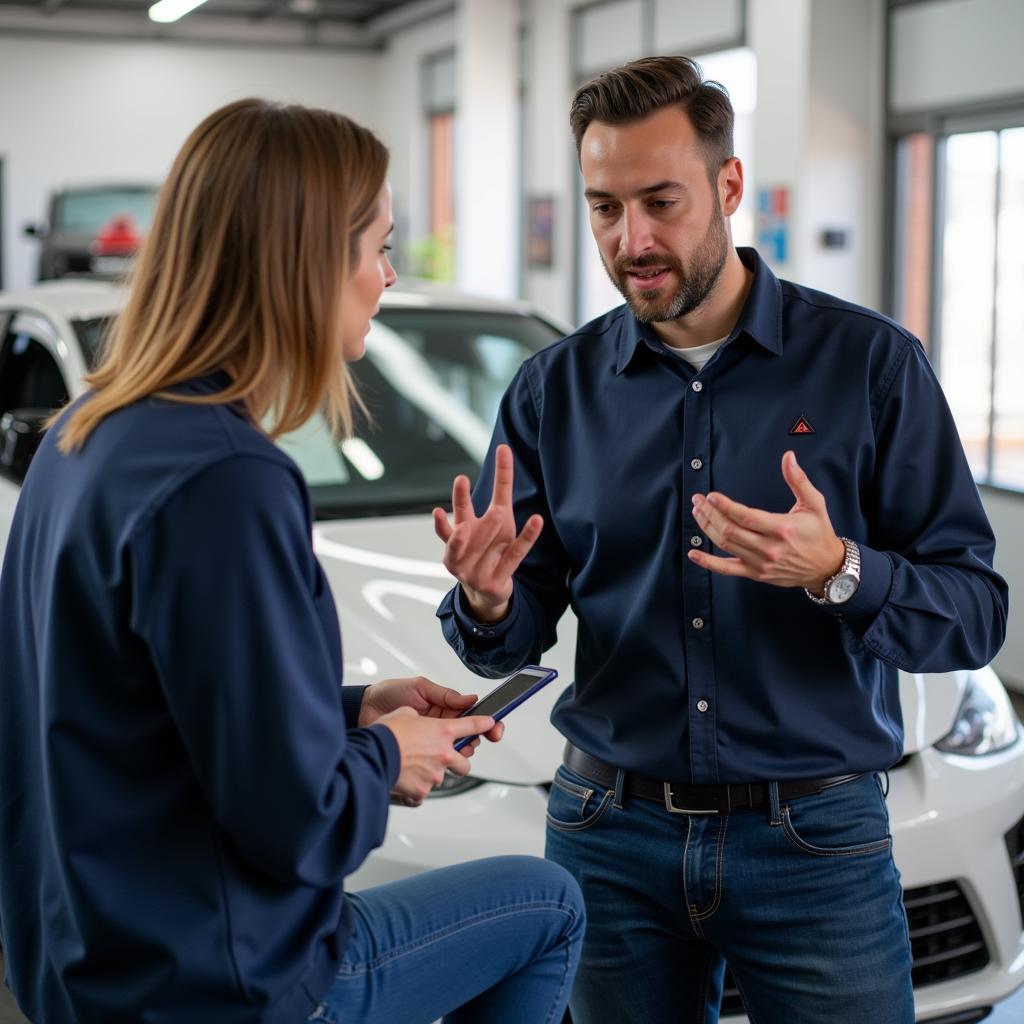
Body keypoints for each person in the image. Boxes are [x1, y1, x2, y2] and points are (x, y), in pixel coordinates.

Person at [434, 55, 1008, 1024]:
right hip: (606, 833)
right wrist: (490, 601)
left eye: (660, 201)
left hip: (814, 839)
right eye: (604, 207)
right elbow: (512, 628)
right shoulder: (551, 390)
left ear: (729, 184)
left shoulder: (870, 367)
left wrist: (839, 571)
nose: (632, 239)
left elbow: (972, 616)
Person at [0, 98, 584, 1024]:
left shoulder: (87, 432)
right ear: (312, 263)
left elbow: (149, 712)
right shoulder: (226, 477)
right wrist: (390, 754)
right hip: (216, 985)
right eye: (380, 248)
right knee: (549, 902)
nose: (389, 277)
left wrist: (357, 708)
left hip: (87, 960)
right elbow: (298, 826)